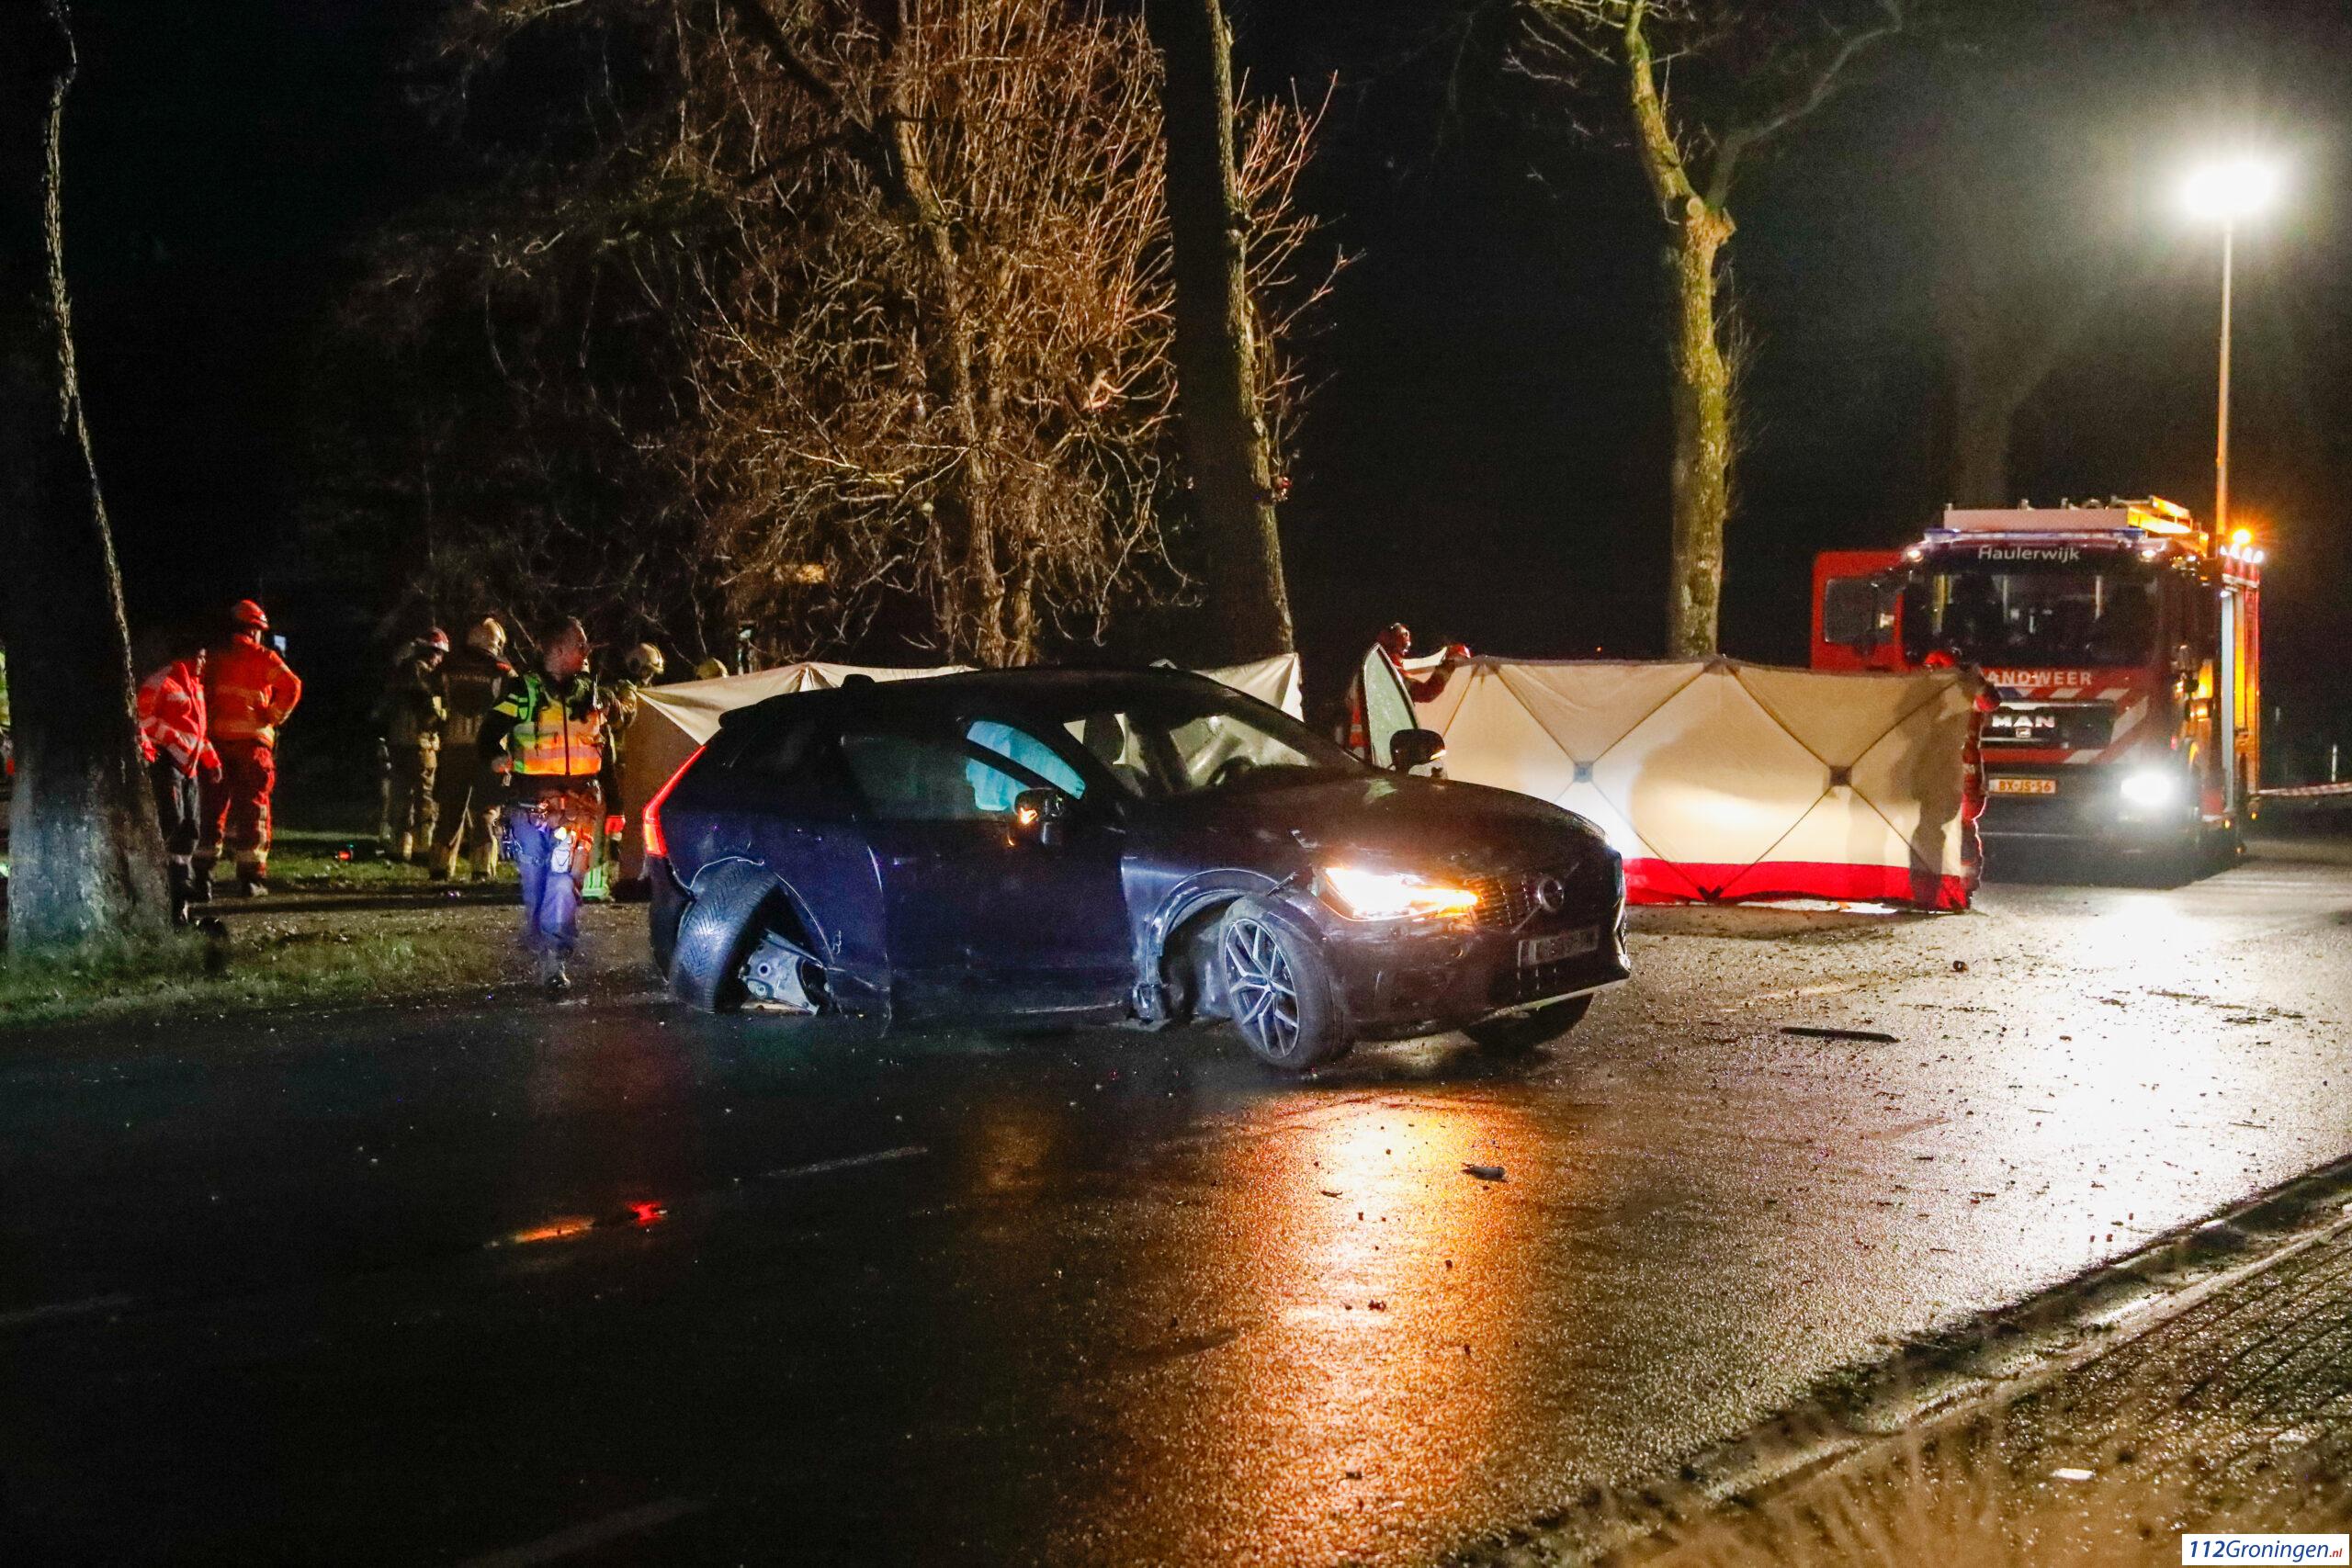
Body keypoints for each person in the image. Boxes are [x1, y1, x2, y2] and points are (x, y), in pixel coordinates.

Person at [479, 618, 615, 993]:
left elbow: (607, 752)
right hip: (531, 805)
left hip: (578, 805)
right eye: (579, 644)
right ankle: (540, 944)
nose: (586, 651)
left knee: (563, 880)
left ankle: (556, 957)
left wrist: (614, 805)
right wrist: (494, 757)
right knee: (537, 884)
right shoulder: (523, 691)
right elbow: (488, 733)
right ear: (556, 649)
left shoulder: (591, 694)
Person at [198, 599, 301, 898]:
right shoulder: (263, 658)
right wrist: (273, 715)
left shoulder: (215, 659)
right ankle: (250, 879)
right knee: (253, 809)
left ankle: (202, 876)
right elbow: (292, 686)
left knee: (212, 809)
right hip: (253, 745)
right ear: (256, 630)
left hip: (216, 744)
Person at [136, 635, 222, 922]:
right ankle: (167, 884)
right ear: (184, 656)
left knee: (191, 828)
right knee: (171, 821)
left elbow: (198, 733)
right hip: (168, 764)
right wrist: (173, 740)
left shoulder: (195, 687)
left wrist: (211, 759)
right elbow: (143, 719)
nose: (204, 662)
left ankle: (180, 890)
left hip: (190, 767)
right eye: (200, 656)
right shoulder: (162, 682)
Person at [428, 618, 515, 882]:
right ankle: (482, 867)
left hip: (454, 747)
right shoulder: (503, 672)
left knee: (450, 810)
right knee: (487, 810)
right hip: (491, 752)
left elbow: (431, 701)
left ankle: (440, 865)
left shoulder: (447, 668)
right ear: (496, 642)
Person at [1341, 622, 1471, 761]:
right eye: (1404, 637)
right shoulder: (1389, 672)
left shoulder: (1365, 671)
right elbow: (1426, 693)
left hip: (1359, 747)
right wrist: (1448, 665)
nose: (1406, 647)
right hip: (1378, 748)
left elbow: (1349, 703)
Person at [375, 629, 449, 863]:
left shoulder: (400, 672)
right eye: (439, 654)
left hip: (398, 742)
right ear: (433, 652)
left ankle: (399, 848)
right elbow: (431, 710)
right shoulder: (426, 674)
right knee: (425, 798)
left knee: (401, 796)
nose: (440, 659)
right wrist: (447, 715)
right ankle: (422, 849)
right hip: (422, 744)